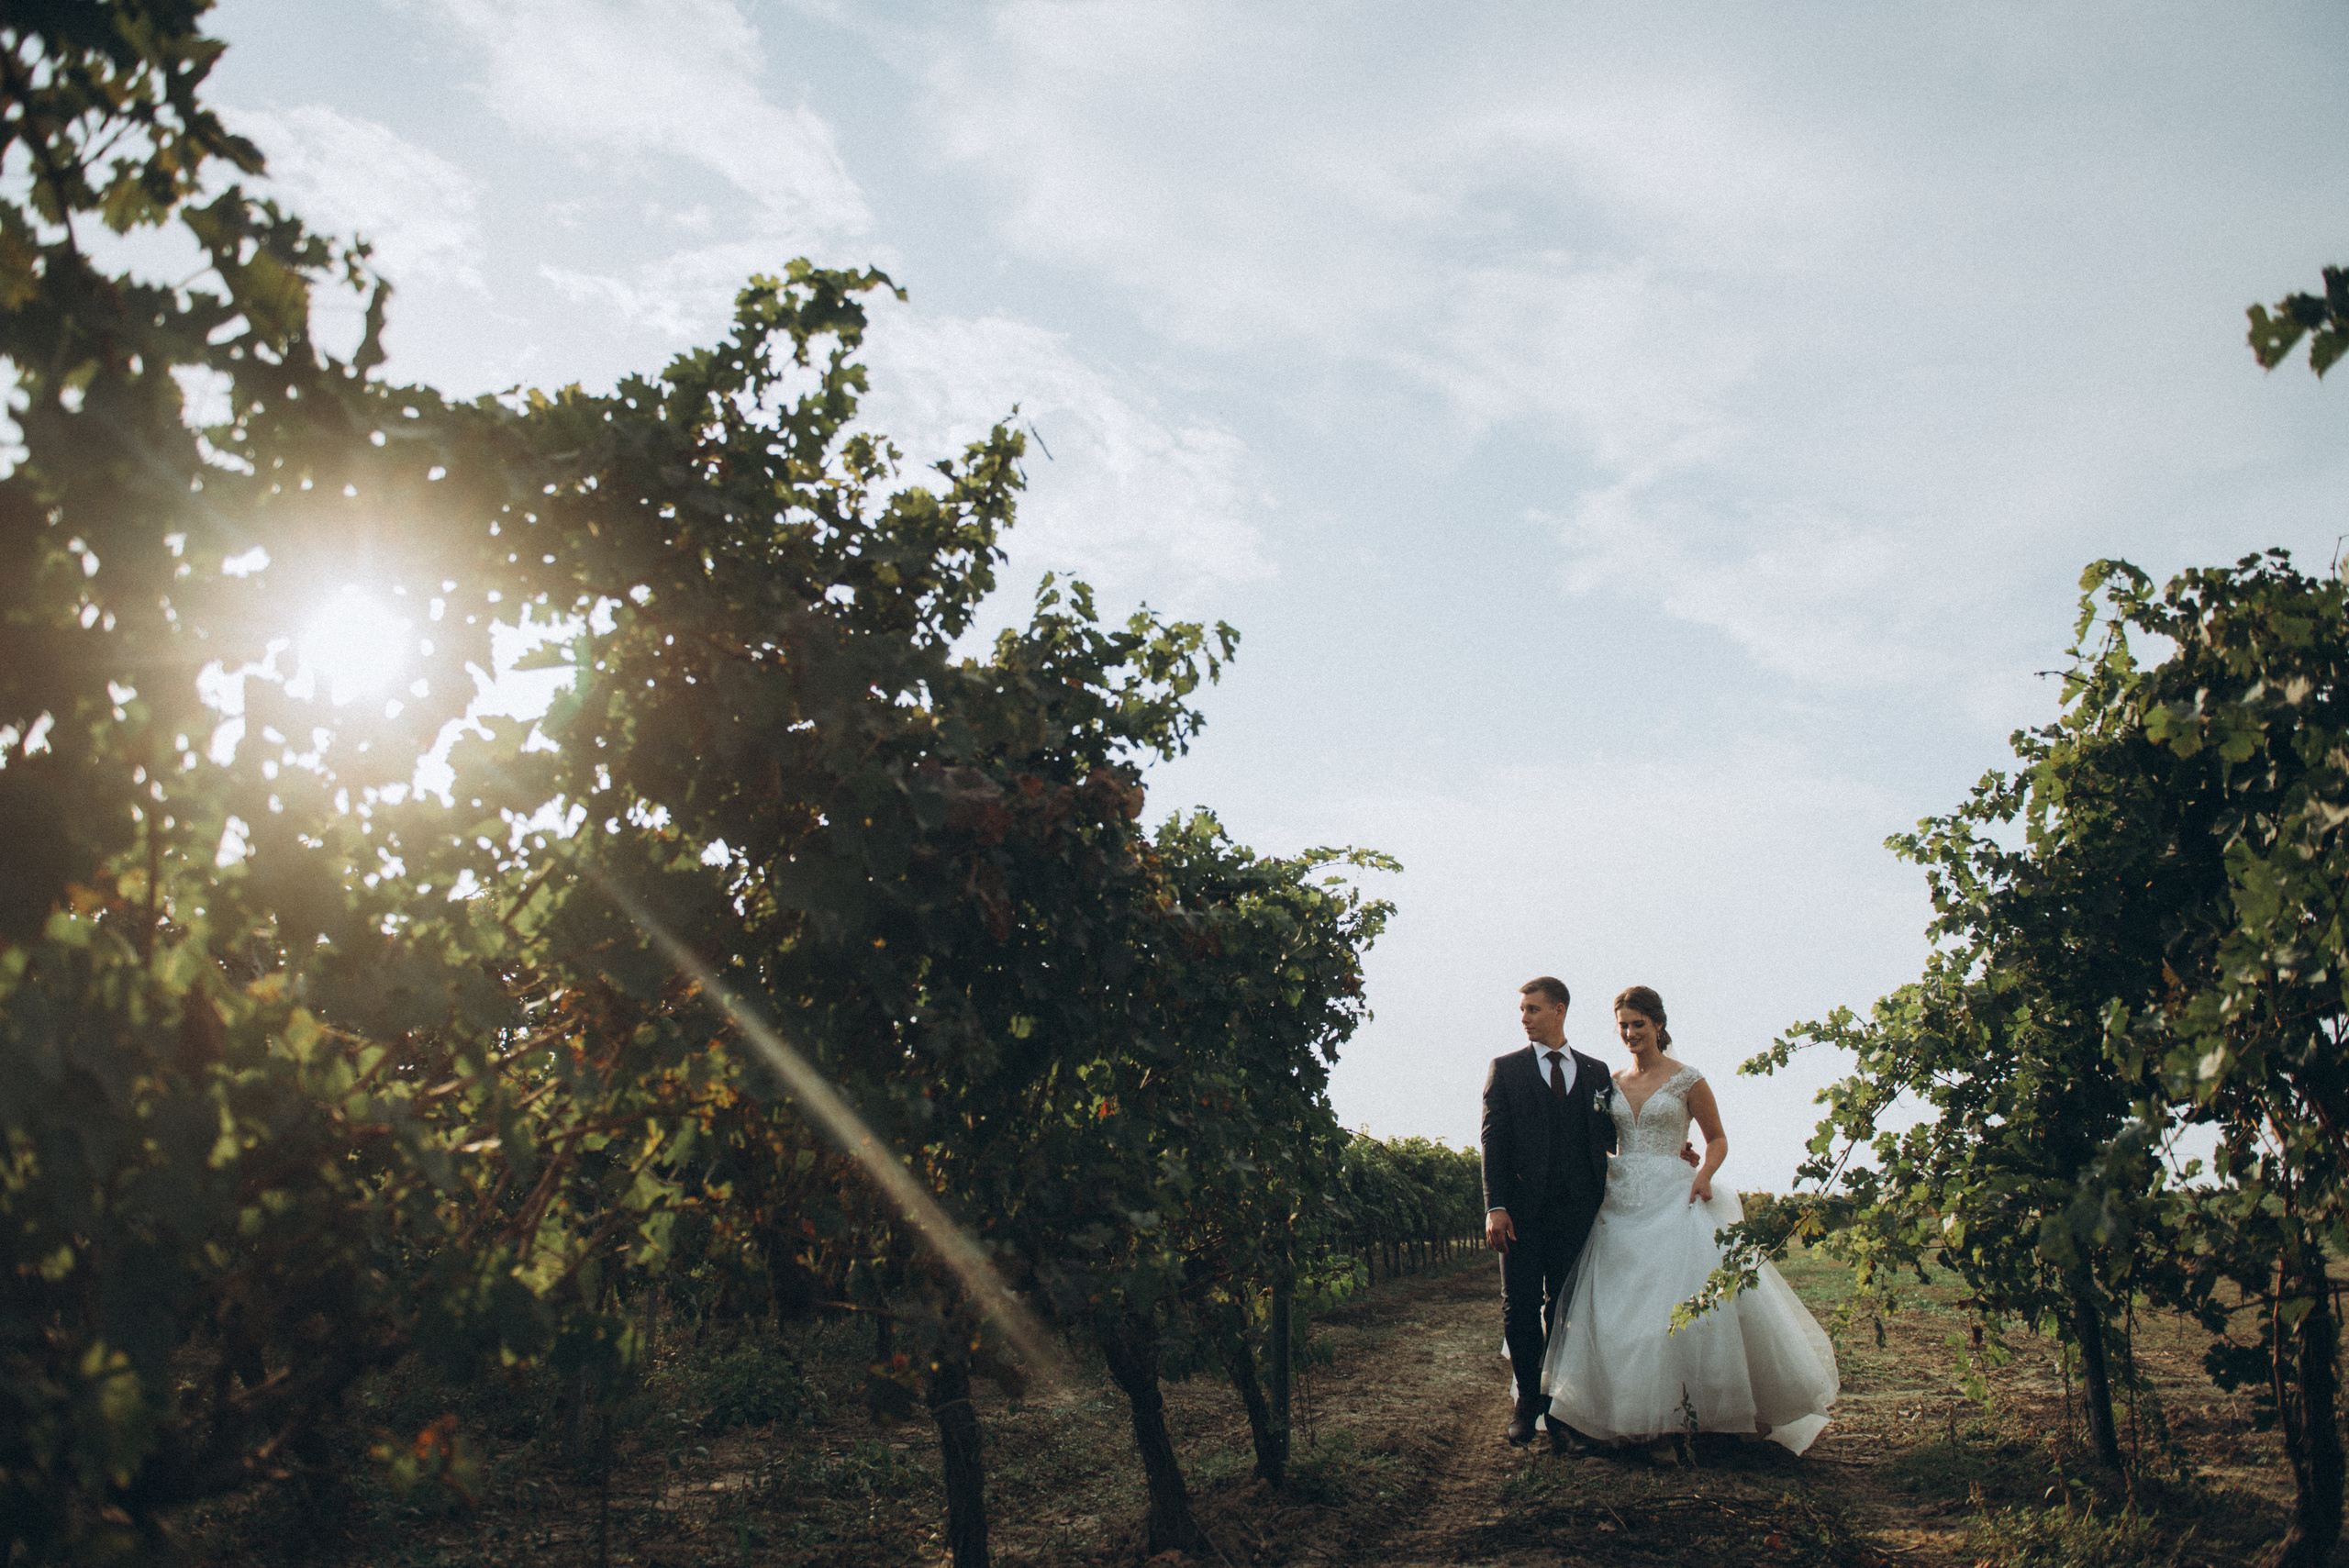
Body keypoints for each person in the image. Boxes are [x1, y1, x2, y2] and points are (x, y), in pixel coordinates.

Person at [1539, 985, 1840, 1456]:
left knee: (1673, 1309)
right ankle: (1628, 1418)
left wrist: (1704, 1174)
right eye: (1623, 1025)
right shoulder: (1610, 1083)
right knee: (1618, 1311)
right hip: (1619, 1199)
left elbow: (1716, 1137)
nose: (1631, 1033)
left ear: (1658, 1025)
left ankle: (1682, 1422)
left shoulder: (1687, 1079)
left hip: (1675, 1198)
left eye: (1639, 1023)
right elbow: (1597, 1139)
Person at [1480, 976, 1621, 1448]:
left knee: (1566, 1308)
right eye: (1522, 1010)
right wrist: (1495, 1206)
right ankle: (1527, 1402)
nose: (1524, 1018)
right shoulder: (1506, 1069)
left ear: (1559, 1010)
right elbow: (1492, 1142)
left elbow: (1613, 1138)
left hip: (1578, 1212)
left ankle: (1562, 1410)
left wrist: (1675, 1151)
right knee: (1519, 1306)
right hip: (1520, 1213)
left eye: (1533, 1010)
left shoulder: (1598, 1072)